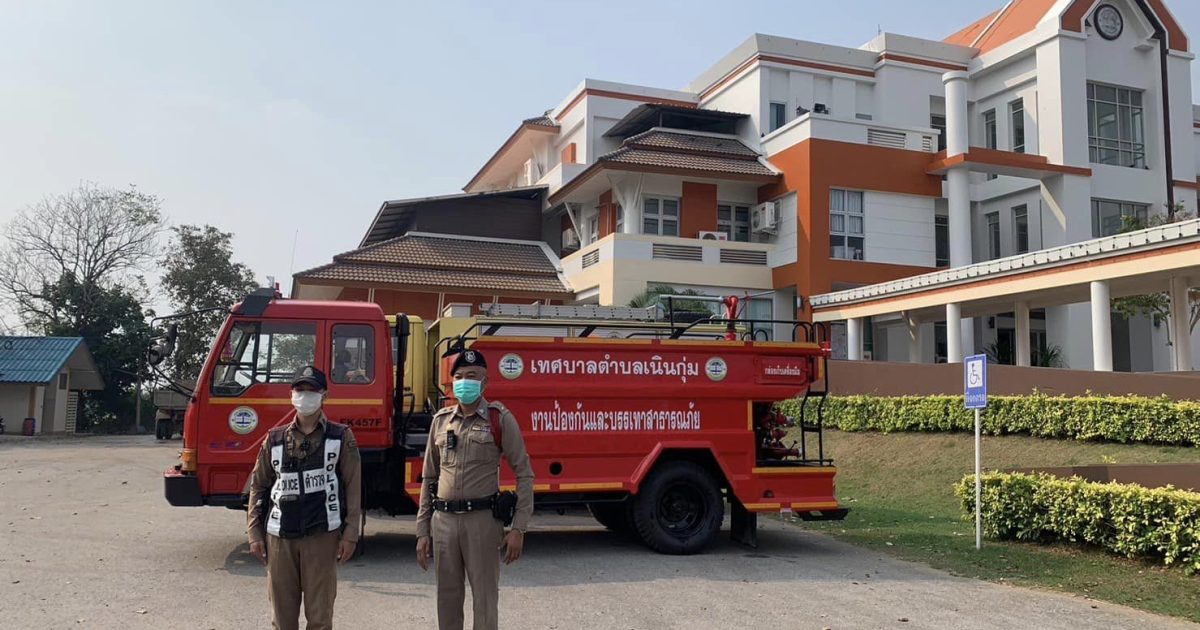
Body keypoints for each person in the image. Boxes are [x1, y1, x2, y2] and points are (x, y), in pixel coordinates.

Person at [415, 348, 534, 630]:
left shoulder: (498, 419)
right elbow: (429, 478)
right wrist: (422, 530)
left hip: (482, 522)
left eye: (472, 376)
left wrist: (519, 528)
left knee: (484, 599)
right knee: (447, 599)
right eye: (459, 377)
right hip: (443, 523)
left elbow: (524, 474)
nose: (464, 382)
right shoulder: (441, 421)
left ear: (485, 382)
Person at [247, 366, 362, 630]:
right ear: (291, 394)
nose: (305, 396)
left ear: (325, 395)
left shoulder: (341, 437)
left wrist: (350, 533)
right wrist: (254, 533)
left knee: (320, 617)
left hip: (322, 535)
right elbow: (258, 486)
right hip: (279, 537)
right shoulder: (274, 439)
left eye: (312, 390)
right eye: (300, 390)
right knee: (282, 618)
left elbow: (353, 486)